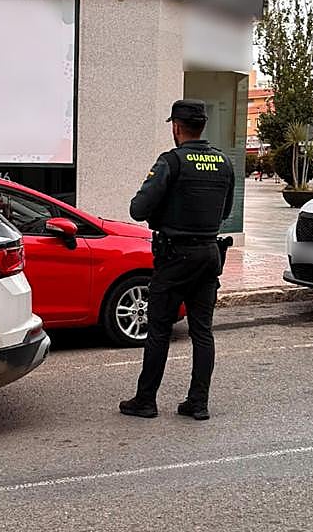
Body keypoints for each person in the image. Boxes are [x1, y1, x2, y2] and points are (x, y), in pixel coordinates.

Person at [119, 100, 235, 422]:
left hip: (174, 257)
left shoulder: (172, 161)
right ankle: (198, 403)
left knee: (158, 330)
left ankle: (146, 401)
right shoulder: (223, 163)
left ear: (176, 127)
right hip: (209, 255)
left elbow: (138, 210)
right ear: (202, 126)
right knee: (202, 332)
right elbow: (224, 212)